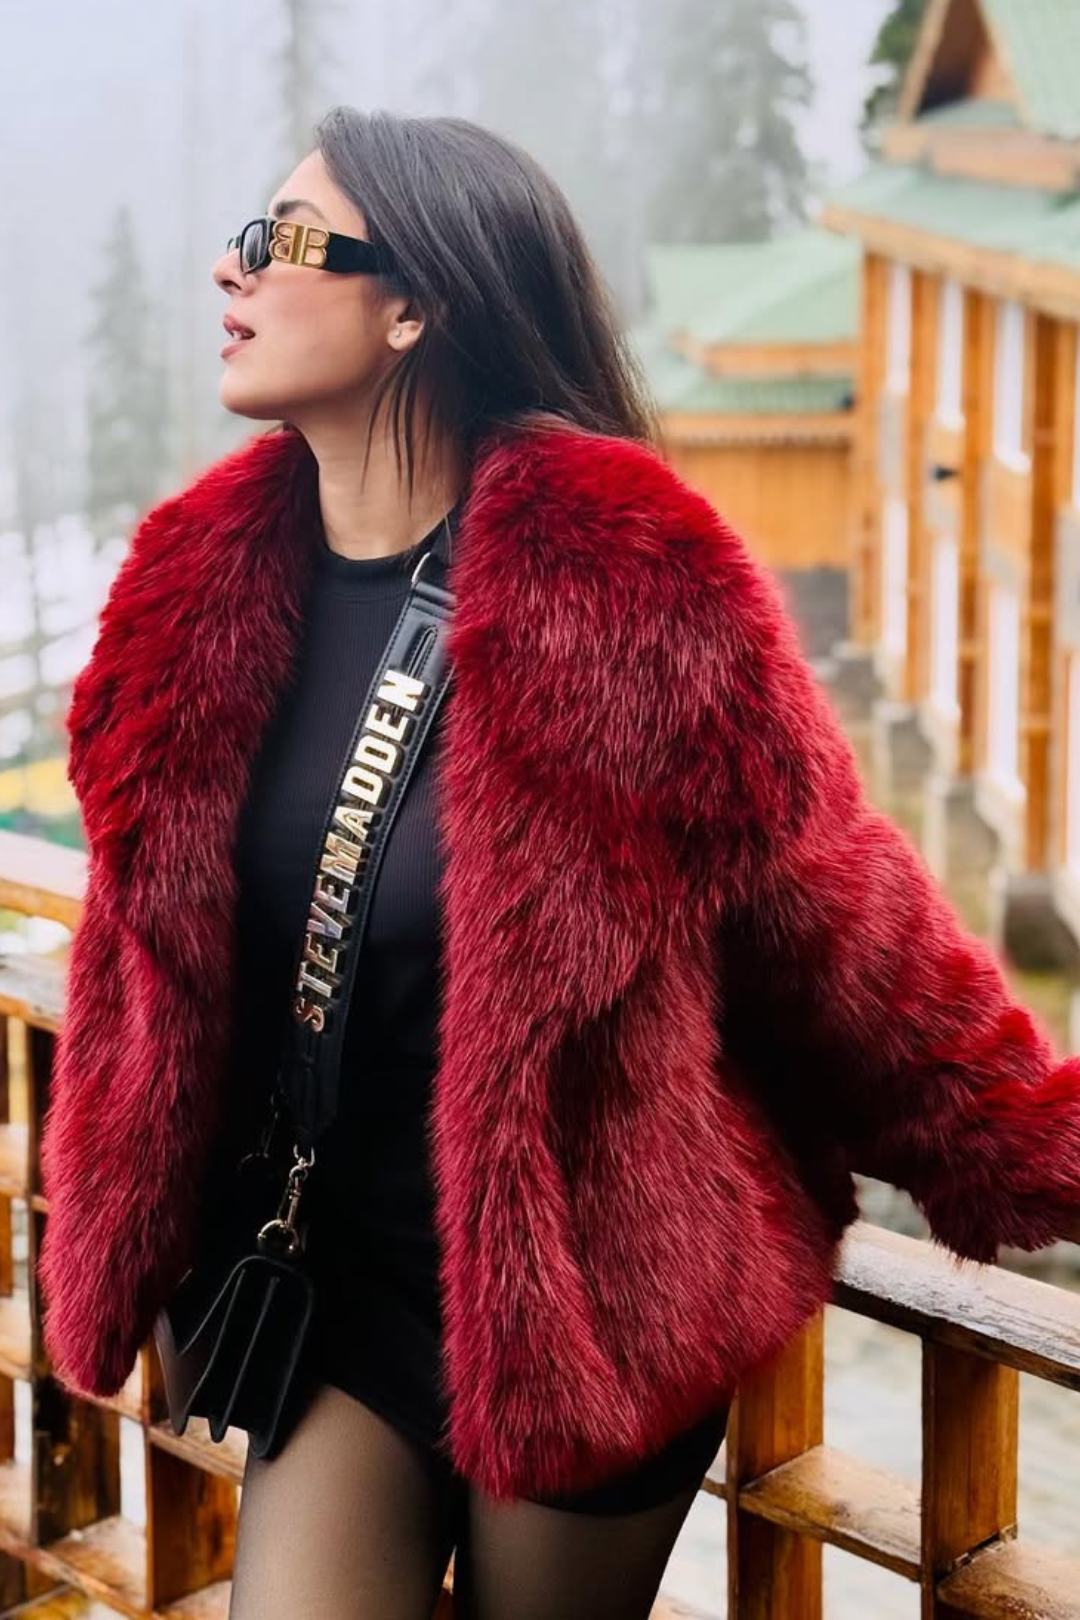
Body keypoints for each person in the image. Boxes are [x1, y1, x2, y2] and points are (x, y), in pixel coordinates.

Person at [36, 107, 1080, 1620]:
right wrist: (130, 1213)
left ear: (414, 304)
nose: (231, 268)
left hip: (585, 1297)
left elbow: (832, 917)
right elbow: (139, 960)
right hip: (330, 1278)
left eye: (283, 240)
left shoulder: (624, 583)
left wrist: (1030, 1139)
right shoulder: (192, 594)